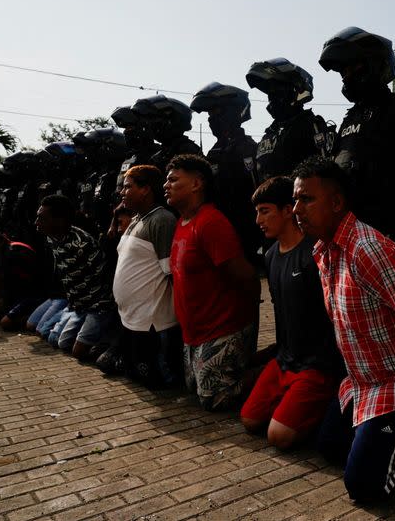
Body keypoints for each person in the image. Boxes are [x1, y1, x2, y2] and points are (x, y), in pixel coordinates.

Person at [292, 156, 395, 502]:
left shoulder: (368, 249)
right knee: (330, 446)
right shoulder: (324, 251)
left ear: (336, 202)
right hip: (363, 382)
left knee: (364, 485)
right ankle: (392, 436)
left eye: (306, 199)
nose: (296, 209)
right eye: (295, 200)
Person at [239, 176, 341, 449]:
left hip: (316, 365)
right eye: (257, 212)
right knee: (249, 419)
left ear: (288, 210)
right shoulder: (271, 256)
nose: (258, 220)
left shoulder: (315, 253)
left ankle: (330, 403)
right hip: (285, 360)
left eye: (265, 211)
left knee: (279, 437)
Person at [165, 153, 261, 411]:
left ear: (197, 184)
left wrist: (246, 330)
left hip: (222, 327)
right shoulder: (181, 222)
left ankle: (273, 370)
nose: (166, 185)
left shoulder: (211, 222)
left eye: (174, 180)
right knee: (192, 387)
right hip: (195, 333)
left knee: (215, 398)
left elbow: (247, 277)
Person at [320, 27, 395, 251]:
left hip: (384, 234)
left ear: (374, 65)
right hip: (348, 230)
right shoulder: (351, 117)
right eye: (343, 73)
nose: (346, 77)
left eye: (351, 69)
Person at [107, 165, 179, 387]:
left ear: (145, 189)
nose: (122, 192)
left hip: (153, 323)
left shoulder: (162, 220)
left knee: (157, 381)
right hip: (132, 320)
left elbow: (172, 274)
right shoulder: (136, 219)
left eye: (128, 187)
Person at [35, 195, 116, 360]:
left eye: (41, 218)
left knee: (76, 351)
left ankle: (109, 337)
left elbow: (102, 281)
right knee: (51, 337)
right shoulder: (51, 238)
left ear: (59, 220)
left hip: (97, 306)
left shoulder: (82, 244)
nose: (36, 222)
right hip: (77, 304)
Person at [190, 82, 261, 265]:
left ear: (233, 112)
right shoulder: (212, 153)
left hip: (246, 234)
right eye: (209, 115)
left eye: (216, 113)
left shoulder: (248, 148)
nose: (211, 119)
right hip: (216, 234)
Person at [246, 58, 334, 183]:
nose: (272, 96)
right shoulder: (270, 133)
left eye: (276, 90)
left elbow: (325, 174)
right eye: (269, 92)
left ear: (295, 90)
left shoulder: (310, 124)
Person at [0, 229, 41, 331]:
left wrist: (0, 303)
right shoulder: (5, 250)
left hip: (32, 293)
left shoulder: (13, 252)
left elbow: (14, 284)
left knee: (1, 320)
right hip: (18, 291)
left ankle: (32, 317)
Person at [131, 95, 202, 171]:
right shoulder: (161, 153)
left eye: (155, 119)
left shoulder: (187, 150)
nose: (150, 125)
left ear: (172, 121)